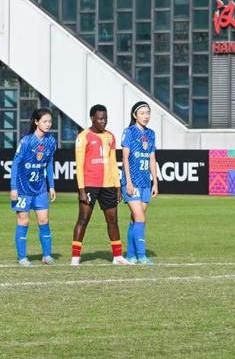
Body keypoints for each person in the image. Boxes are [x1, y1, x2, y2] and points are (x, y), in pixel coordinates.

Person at [71, 104, 130, 266]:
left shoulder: (110, 137)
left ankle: (117, 256)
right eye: (100, 118)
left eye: (105, 118)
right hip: (89, 185)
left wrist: (118, 187)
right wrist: (81, 189)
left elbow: (113, 163)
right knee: (83, 220)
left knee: (113, 221)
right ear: (92, 118)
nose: (103, 121)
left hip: (109, 185)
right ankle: (75, 257)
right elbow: (79, 166)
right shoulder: (83, 137)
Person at [10, 108, 57, 266]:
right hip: (23, 188)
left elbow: (49, 164)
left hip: (40, 189)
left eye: (50, 121)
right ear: (36, 122)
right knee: (23, 221)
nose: (48, 124)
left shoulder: (51, 141)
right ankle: (22, 258)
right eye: (45, 121)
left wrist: (51, 186)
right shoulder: (26, 141)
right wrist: (14, 187)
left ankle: (47, 256)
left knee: (44, 220)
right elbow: (15, 164)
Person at [121, 101, 158, 265]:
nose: (146, 116)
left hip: (145, 183)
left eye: (148, 113)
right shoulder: (129, 132)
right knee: (140, 218)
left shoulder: (151, 134)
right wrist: (128, 182)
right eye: (142, 113)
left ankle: (131, 255)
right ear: (135, 115)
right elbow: (125, 158)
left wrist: (155, 182)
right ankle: (142, 255)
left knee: (135, 219)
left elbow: (152, 159)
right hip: (132, 182)